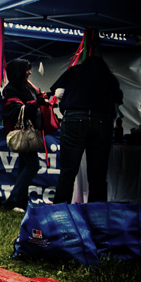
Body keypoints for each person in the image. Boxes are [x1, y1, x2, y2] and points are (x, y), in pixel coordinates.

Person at [50, 55, 122, 204]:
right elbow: (116, 103)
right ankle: (97, 215)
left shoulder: (74, 71)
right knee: (98, 175)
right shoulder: (109, 77)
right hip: (102, 120)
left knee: (68, 172)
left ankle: (59, 212)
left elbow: (58, 92)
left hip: (74, 118)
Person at [1, 59, 45, 212]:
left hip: (29, 131)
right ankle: (13, 200)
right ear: (20, 71)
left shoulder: (27, 87)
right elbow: (16, 110)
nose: (30, 72)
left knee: (24, 166)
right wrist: (36, 103)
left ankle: (20, 202)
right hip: (23, 133)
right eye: (27, 69)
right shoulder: (11, 89)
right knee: (33, 166)